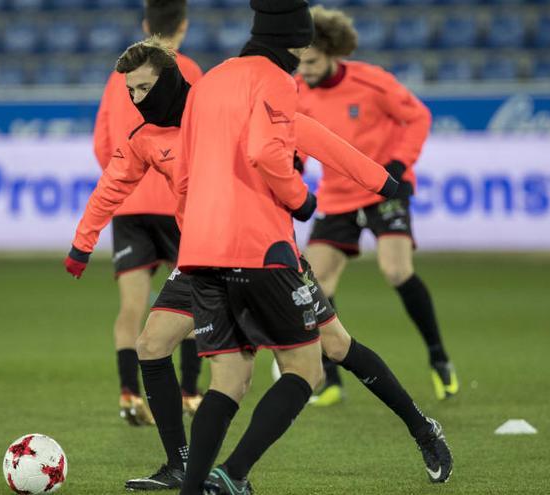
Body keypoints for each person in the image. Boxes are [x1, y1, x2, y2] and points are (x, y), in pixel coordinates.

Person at [65, 38, 452, 491]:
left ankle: (422, 429)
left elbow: (311, 135)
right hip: (203, 259)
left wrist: (382, 181)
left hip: (265, 253)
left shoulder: (222, 109)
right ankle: (182, 465)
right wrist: (82, 243)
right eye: (130, 91)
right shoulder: (145, 138)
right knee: (151, 345)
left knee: (337, 347)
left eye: (144, 88)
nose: (136, 100)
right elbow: (112, 185)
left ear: (168, 81)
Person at [174, 1, 451, 492]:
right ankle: (235, 475)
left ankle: (197, 489)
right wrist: (301, 200)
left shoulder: (210, 82)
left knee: (230, 381)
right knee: (311, 365)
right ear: (295, 42)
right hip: (261, 248)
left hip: (202, 251)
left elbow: (190, 169)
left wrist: (381, 182)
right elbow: (266, 151)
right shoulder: (279, 80)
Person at [296, 5, 458, 404]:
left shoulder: (371, 81)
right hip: (337, 195)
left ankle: (439, 359)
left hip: (383, 189)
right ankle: (331, 379)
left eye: (312, 62)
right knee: (316, 280)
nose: (305, 70)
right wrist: (291, 168)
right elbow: (295, 140)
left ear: (332, 53)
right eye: (299, 63)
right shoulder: (297, 91)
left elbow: (418, 117)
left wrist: (399, 166)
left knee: (396, 269)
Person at [92, 0, 204, 426]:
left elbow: (103, 142)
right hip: (181, 206)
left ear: (145, 24)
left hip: (131, 206)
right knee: (195, 301)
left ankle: (128, 395)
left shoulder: (119, 76)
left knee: (131, 308)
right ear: (184, 26)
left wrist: (124, 180)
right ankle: (190, 393)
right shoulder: (190, 71)